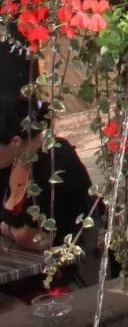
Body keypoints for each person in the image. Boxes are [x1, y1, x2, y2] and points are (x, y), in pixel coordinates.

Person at [0, 96, 98, 292]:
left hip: (66, 273)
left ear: (15, 141)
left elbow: (38, 239)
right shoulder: (9, 161)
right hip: (21, 270)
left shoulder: (55, 162)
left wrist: (6, 229)